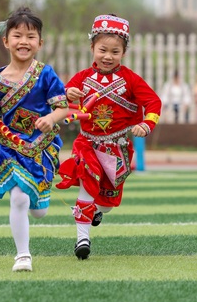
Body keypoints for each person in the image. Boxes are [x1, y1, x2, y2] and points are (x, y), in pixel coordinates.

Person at [56, 14, 162, 260]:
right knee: (87, 185)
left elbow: (153, 102)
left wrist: (147, 124)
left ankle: (97, 211)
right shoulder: (81, 78)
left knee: (107, 202)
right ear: (92, 47)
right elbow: (60, 101)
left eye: (115, 51)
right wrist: (66, 93)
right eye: (102, 49)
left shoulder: (131, 79)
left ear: (123, 53)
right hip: (87, 144)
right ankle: (82, 239)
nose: (107, 56)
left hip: (118, 147)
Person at [0, 7, 69, 272]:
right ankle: (23, 255)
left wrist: (52, 119)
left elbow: (63, 107)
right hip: (10, 151)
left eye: (30, 36)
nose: (24, 41)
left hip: (41, 150)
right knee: (18, 198)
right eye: (17, 35)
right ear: (6, 41)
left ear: (40, 43)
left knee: (39, 210)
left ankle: (40, 198)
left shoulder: (46, 74)